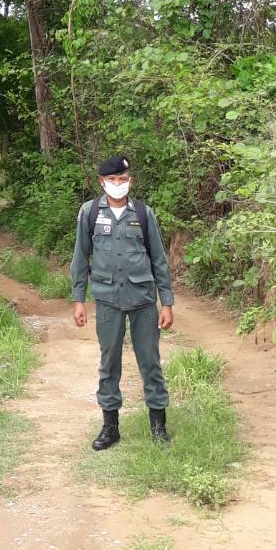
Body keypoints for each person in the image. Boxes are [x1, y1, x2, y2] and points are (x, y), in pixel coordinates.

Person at [70, 154, 175, 449]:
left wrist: (166, 302)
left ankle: (158, 427)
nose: (118, 184)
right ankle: (110, 428)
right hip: (107, 300)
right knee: (109, 364)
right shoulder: (90, 212)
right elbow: (80, 258)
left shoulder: (143, 213)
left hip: (143, 300)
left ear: (131, 181)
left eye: (123, 179)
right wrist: (79, 300)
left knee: (150, 363)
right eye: (112, 179)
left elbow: (159, 259)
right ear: (101, 182)